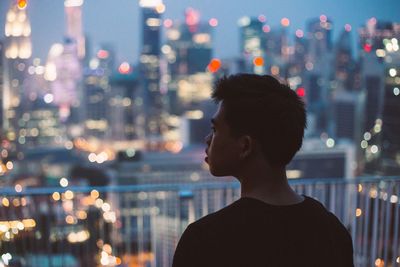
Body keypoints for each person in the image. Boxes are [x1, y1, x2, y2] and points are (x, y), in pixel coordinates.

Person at [172, 74, 354, 267]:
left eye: (215, 129)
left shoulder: (204, 240)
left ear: (245, 146)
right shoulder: (331, 230)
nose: (208, 139)